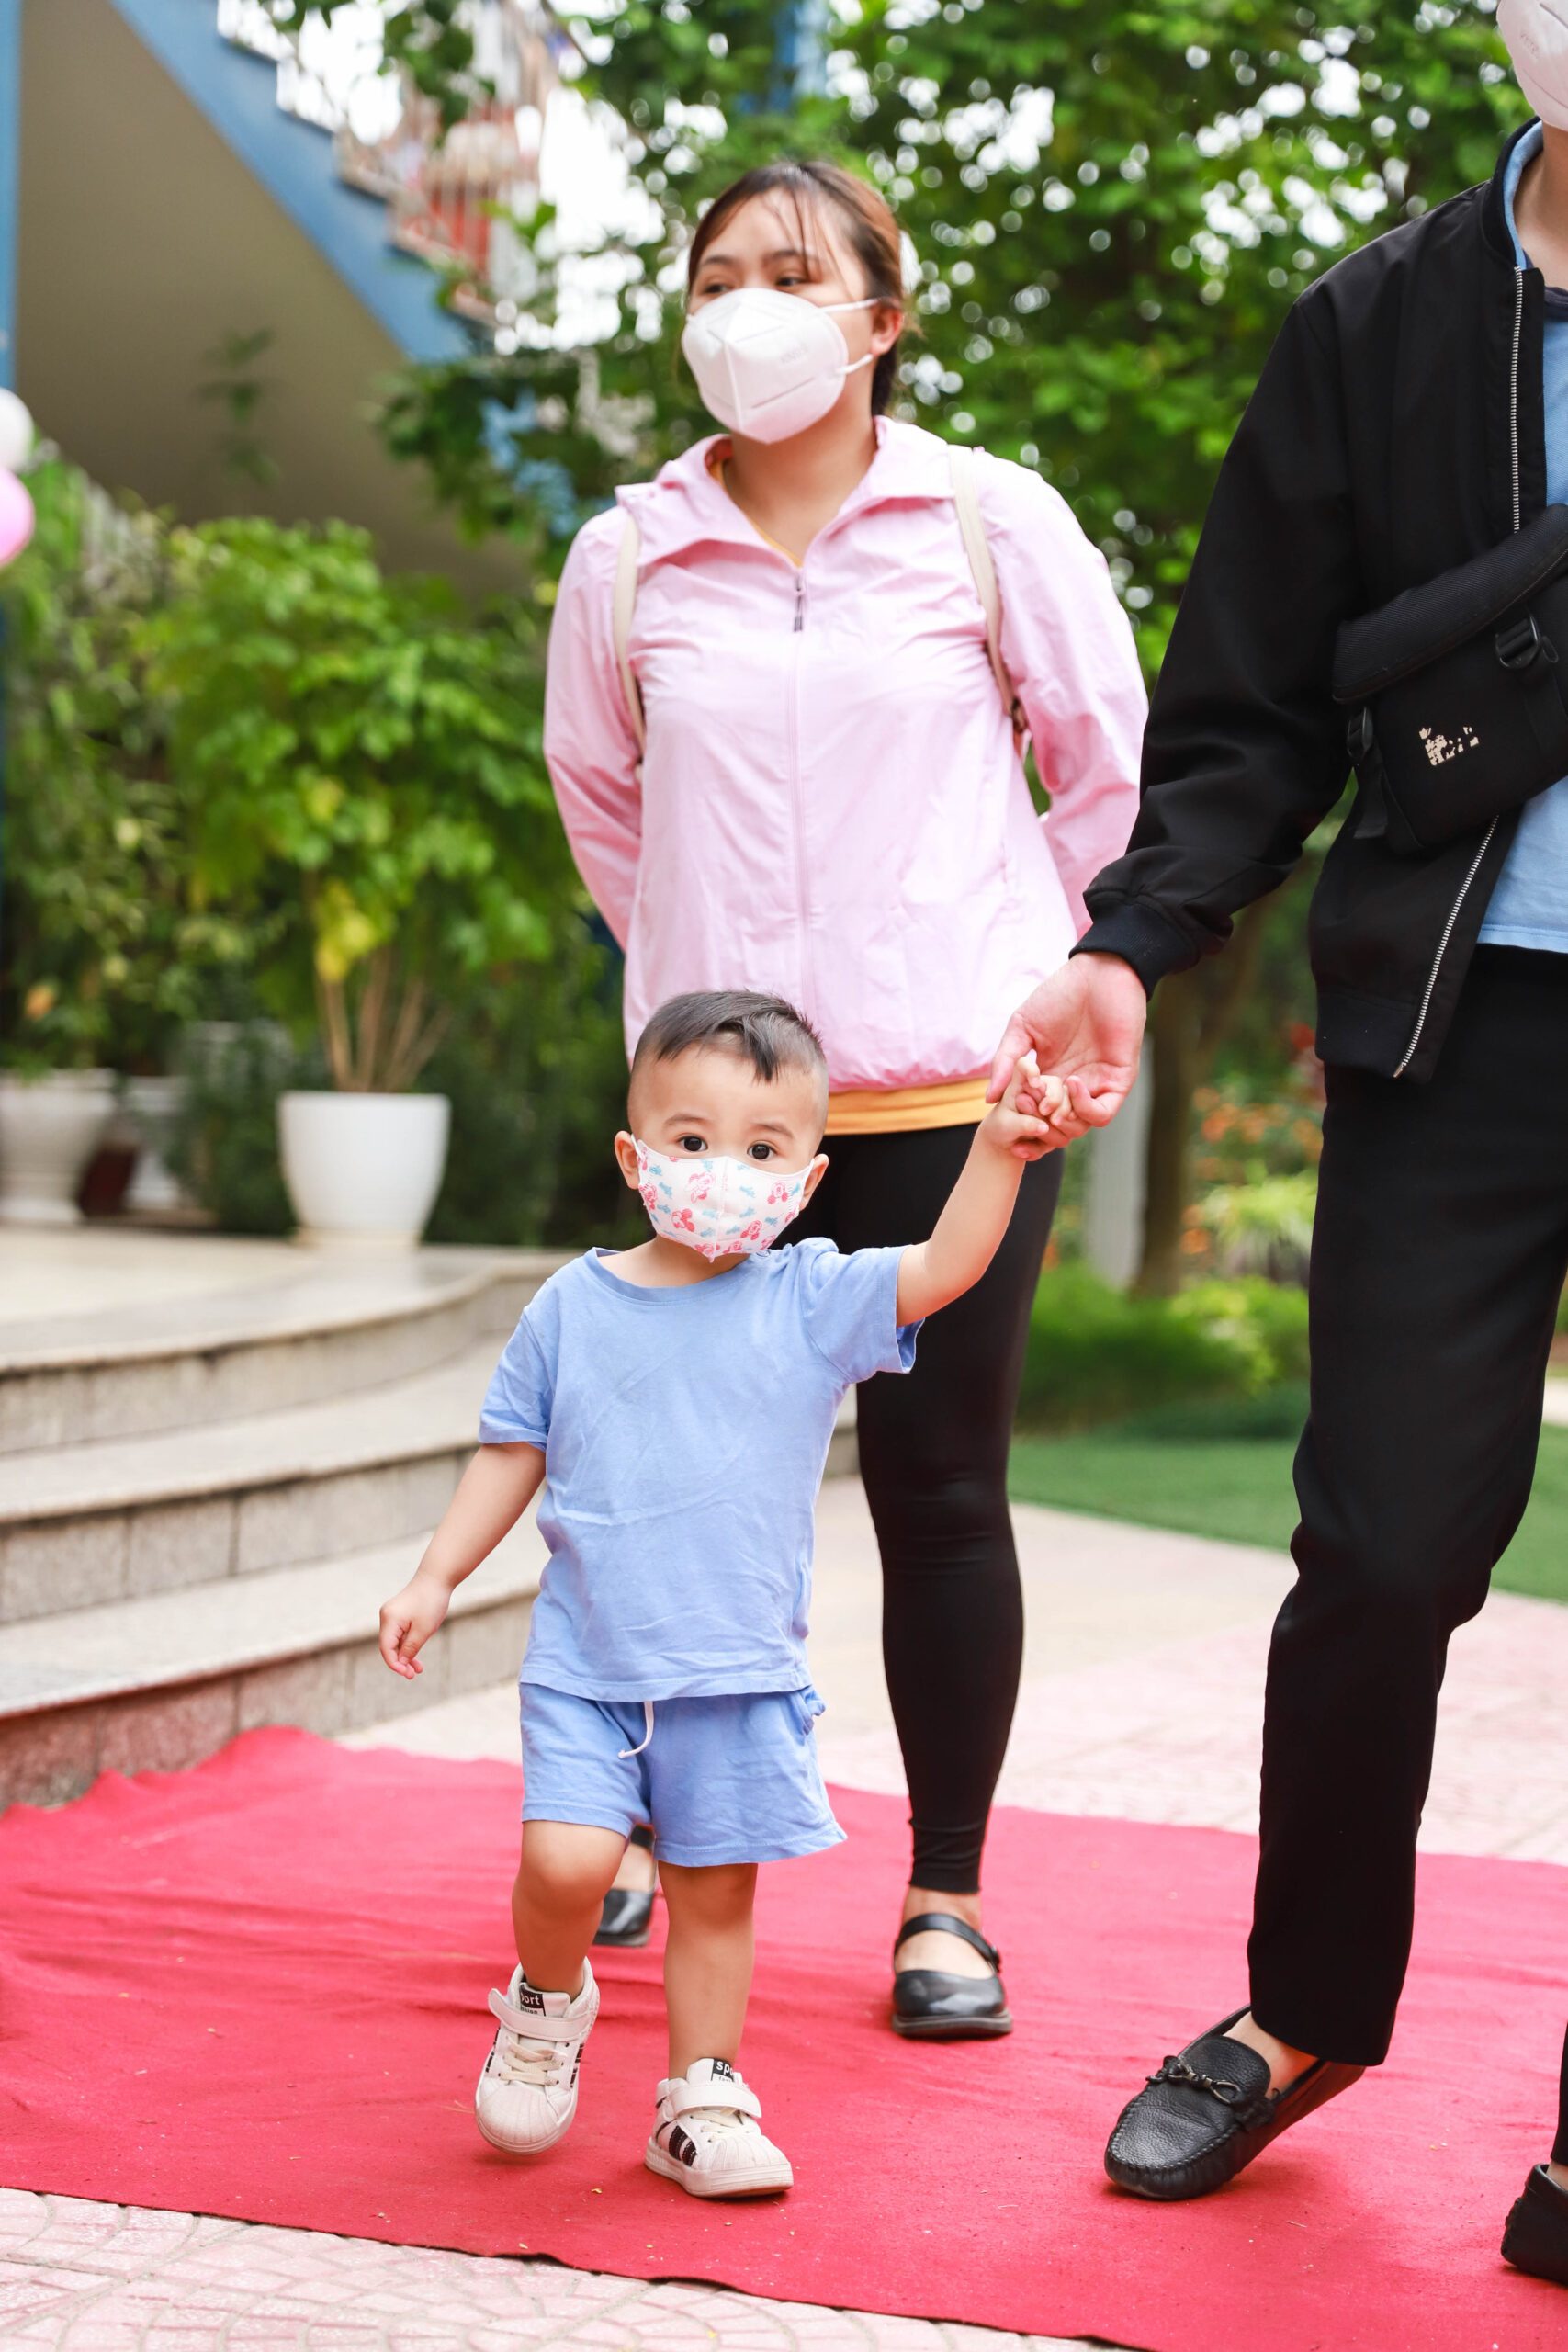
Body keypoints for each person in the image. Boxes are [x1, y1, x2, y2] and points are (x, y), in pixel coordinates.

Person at [988, 6, 1568, 2285]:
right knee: (1379, 1552)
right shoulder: (1378, 321)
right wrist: (1133, 938)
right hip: (1457, 1020)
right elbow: (1243, 699)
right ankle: (1303, 2006)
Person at [543, 157, 1144, 2032]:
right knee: (667, 1490)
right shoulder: (626, 556)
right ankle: (631, 1825)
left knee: (939, 1490)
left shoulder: (986, 521)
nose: (750, 303)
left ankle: (944, 1897)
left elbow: (1105, 771)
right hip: (720, 1128)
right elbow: (604, 806)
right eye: (718, 271)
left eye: (794, 271)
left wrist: (1041, 965)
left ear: (883, 315)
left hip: (954, 1101)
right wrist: (699, 1000)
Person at [375, 990, 1060, 2198]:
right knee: (567, 1864)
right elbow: (512, 1447)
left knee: (712, 1894)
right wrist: (437, 1575)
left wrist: (999, 1150)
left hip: (737, 1673)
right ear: (634, 1155)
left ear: (808, 1180)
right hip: (590, 1665)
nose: (723, 1171)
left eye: (761, 1149)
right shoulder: (572, 1306)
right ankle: (545, 2006)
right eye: (691, 1141)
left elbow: (945, 1267)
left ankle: (700, 2096)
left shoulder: (812, 1300)